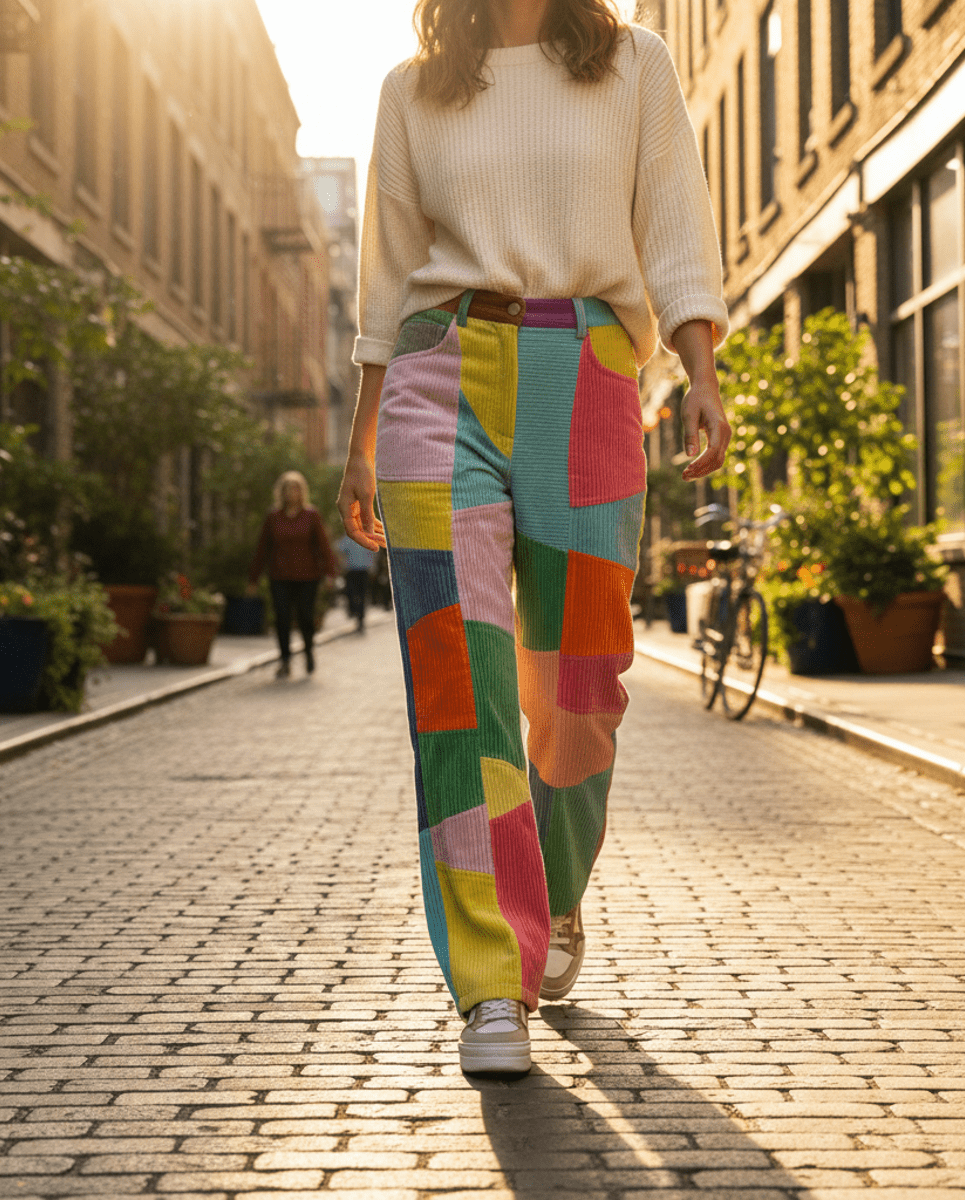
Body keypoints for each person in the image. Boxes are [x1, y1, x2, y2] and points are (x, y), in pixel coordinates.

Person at [337, 0, 730, 1076]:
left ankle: (549, 897)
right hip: (435, 376)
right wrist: (362, 439)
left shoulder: (634, 64)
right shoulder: (411, 90)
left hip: (589, 373)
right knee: (458, 684)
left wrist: (701, 371)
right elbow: (385, 278)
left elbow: (676, 225)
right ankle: (489, 983)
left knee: (580, 687)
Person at [249, 471, 336, 677]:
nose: (292, 493)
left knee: (306, 616)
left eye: (296, 489)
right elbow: (262, 548)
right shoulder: (273, 517)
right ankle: (285, 659)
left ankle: (308, 652)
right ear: (282, 492)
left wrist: (330, 573)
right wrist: (253, 578)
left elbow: (323, 546)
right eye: (288, 489)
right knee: (282, 617)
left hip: (308, 577)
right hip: (279, 576)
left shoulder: (311, 515)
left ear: (302, 492)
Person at [335, 532, 377, 633]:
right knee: (357, 594)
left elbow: (338, 549)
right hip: (355, 571)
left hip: (358, 571)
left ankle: (359, 616)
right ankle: (358, 615)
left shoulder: (351, 537)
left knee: (356, 594)